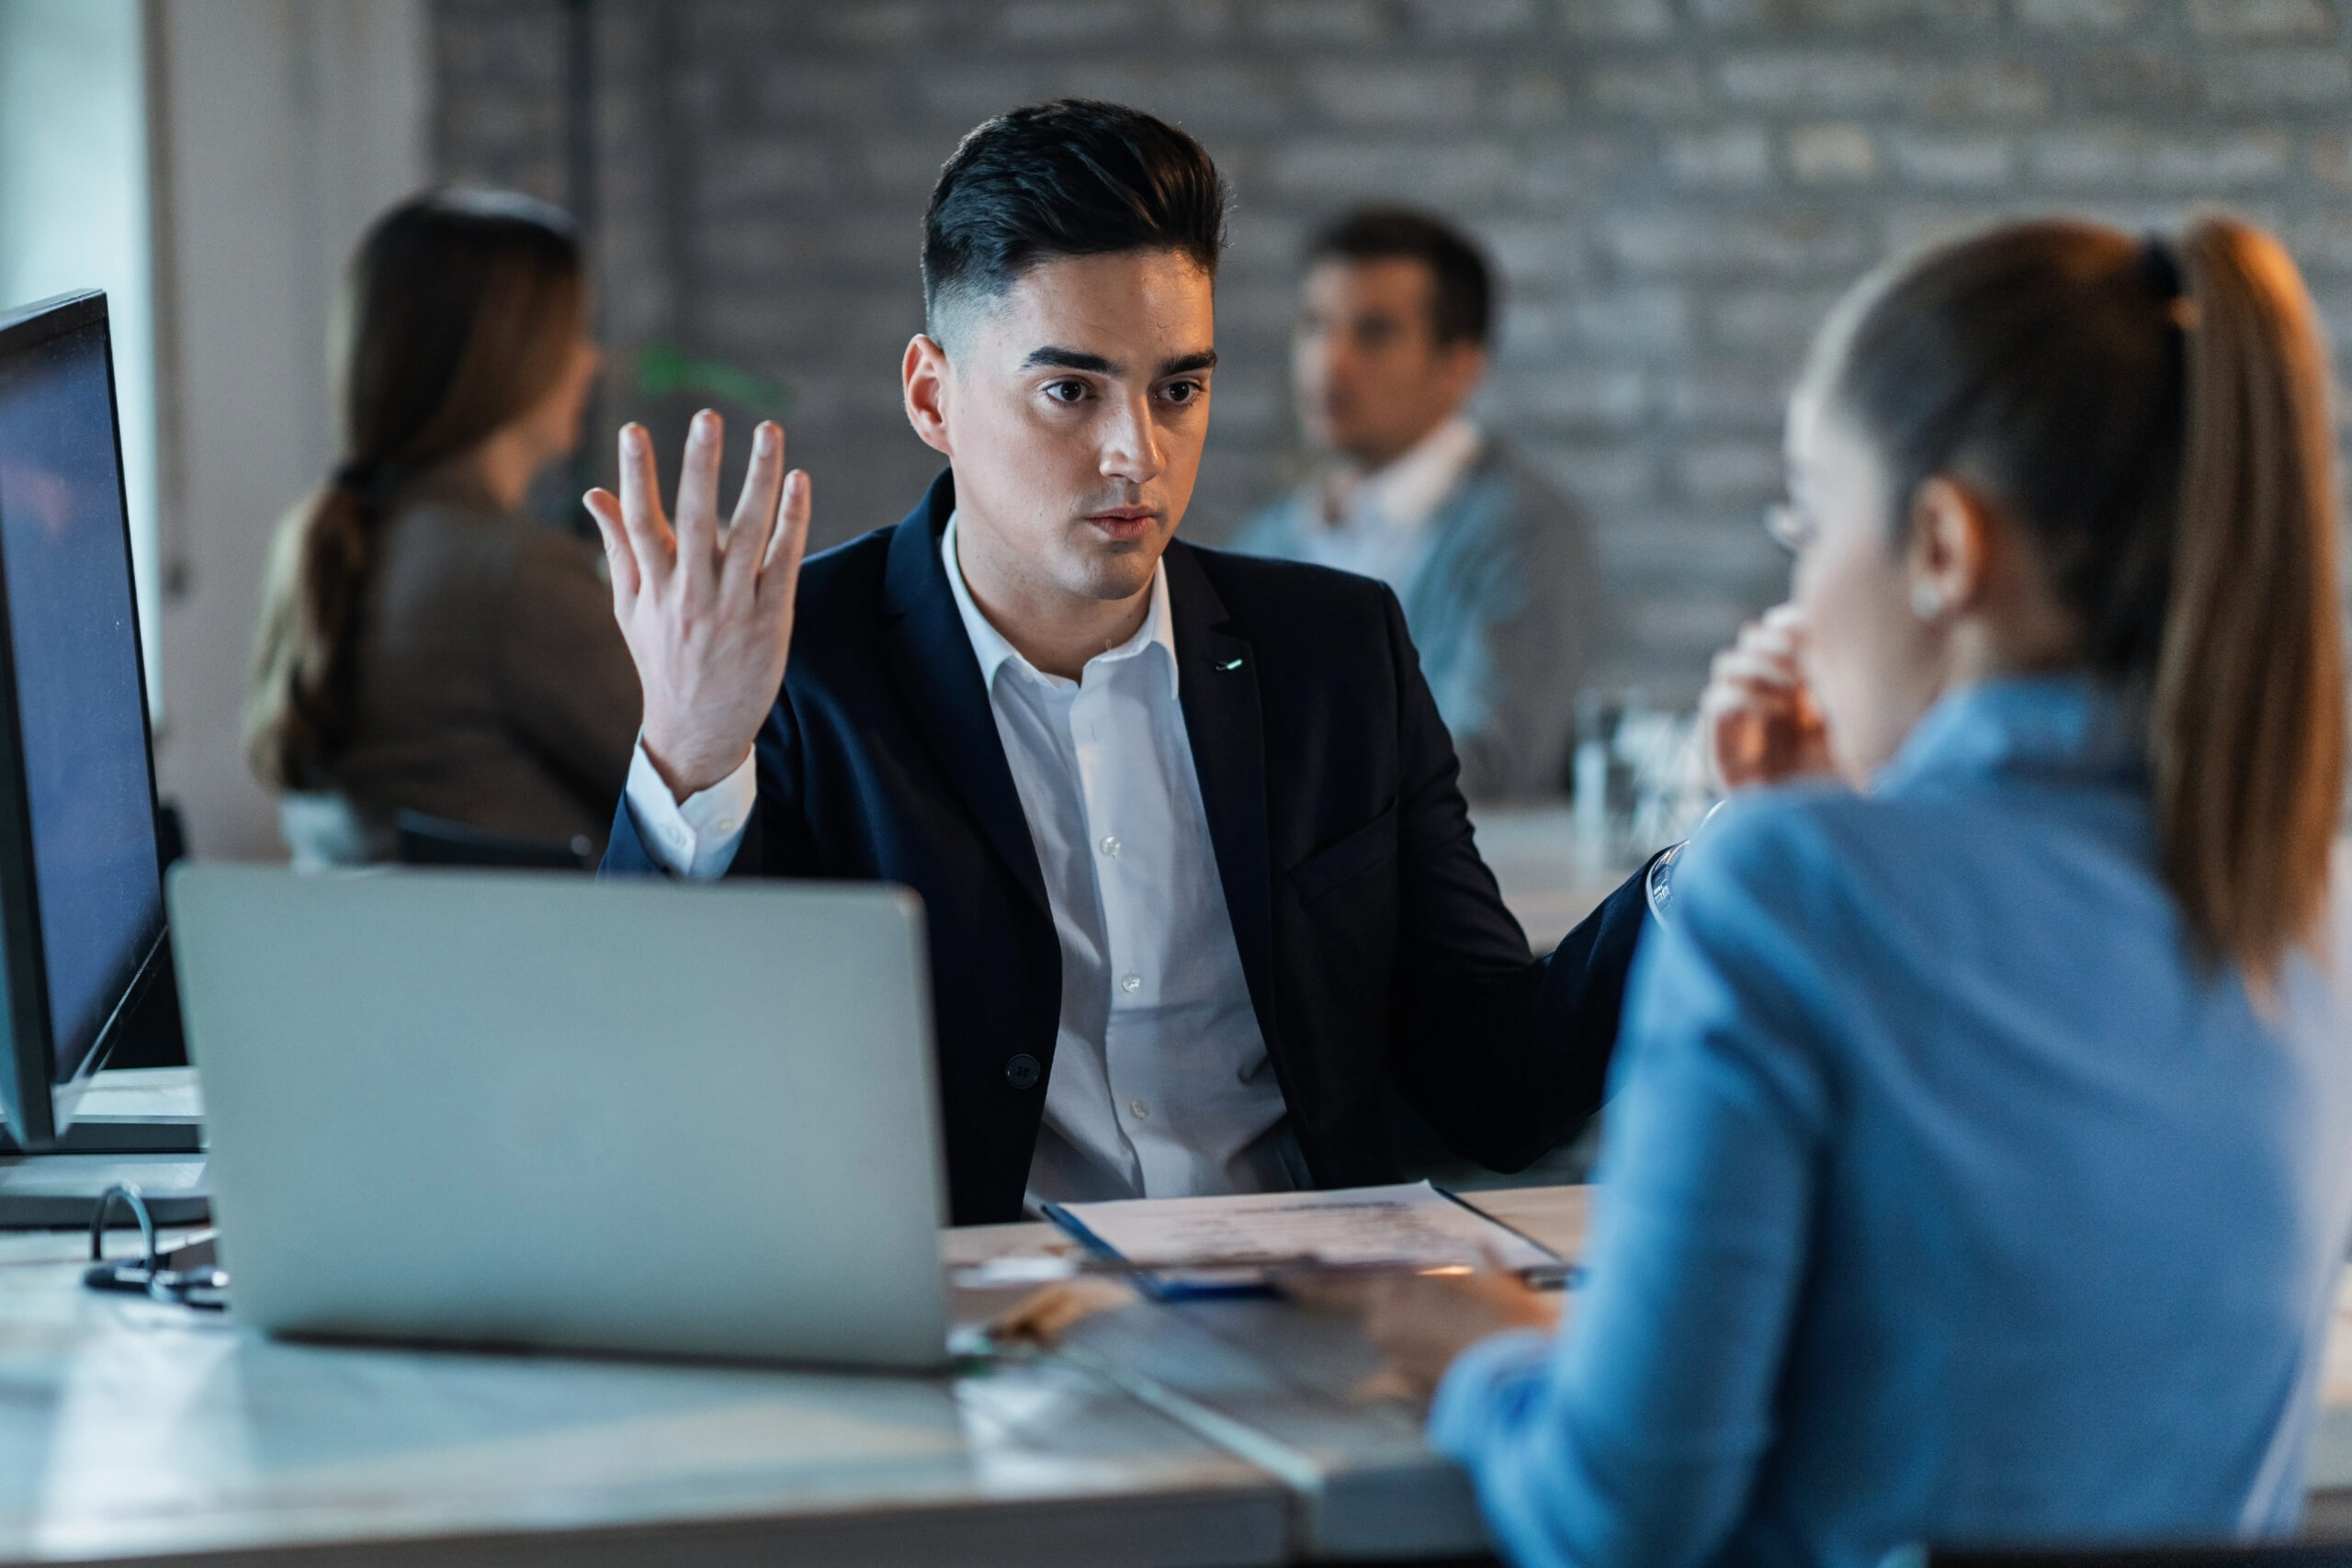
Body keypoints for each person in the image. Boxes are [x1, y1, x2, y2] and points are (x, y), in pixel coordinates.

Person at [1308, 216, 2352, 1562]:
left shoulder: (1792, 889)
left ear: (1940, 546)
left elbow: (1613, 1514)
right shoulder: (2295, 889)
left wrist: (1495, 1357)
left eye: (1807, 513)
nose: (1798, 574)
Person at [589, 101, 1654, 1226]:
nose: (1135, 453)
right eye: (1070, 390)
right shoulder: (798, 663)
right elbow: (653, 1102)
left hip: (1311, 1307)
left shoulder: (1336, 654)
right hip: (977, 1327)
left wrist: (1707, 869)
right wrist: (693, 755)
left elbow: (1498, 1089)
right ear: (931, 396)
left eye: (1177, 390)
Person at [246, 191, 639, 863]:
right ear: (508, 359)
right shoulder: (512, 578)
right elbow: (698, 778)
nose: (591, 363)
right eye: (572, 336)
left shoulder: (328, 534)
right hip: (545, 957)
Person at [1231, 208, 1600, 800]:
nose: (1330, 361)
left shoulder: (1525, 531)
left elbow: (1491, 759)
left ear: (1460, 367)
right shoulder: (1266, 539)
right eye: (1313, 325)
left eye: (1373, 332)